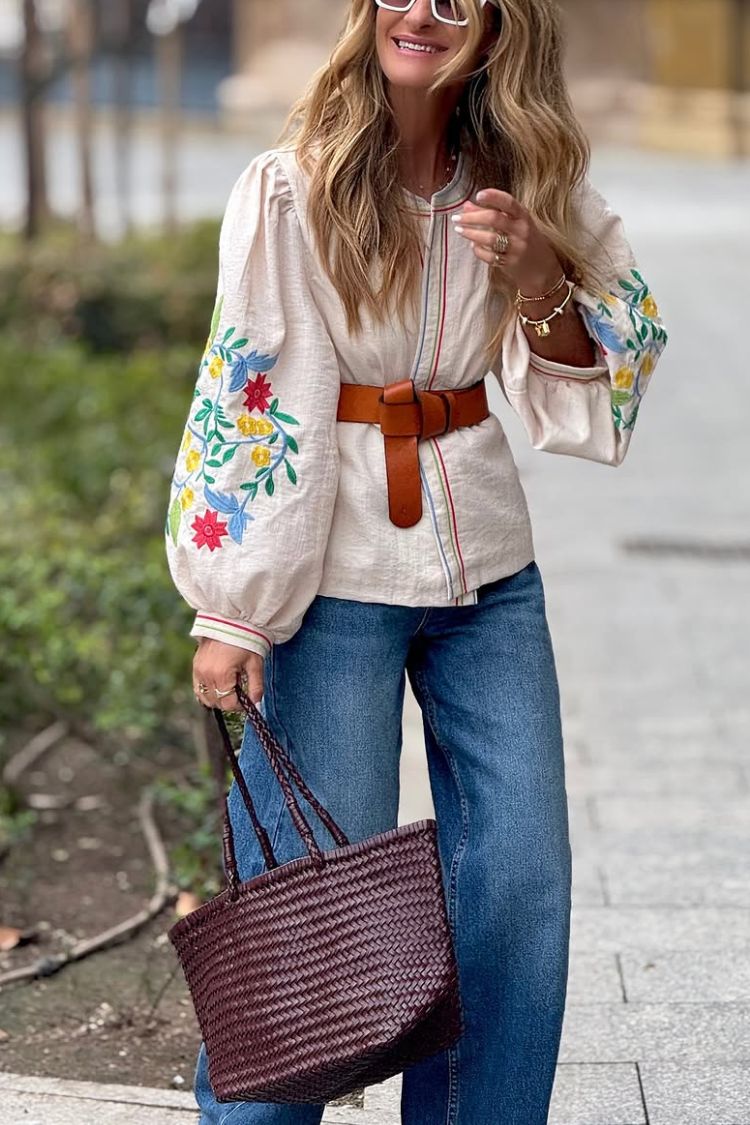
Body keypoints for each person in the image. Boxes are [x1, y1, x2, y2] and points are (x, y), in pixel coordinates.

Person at [164, 1, 668, 1121]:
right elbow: (250, 387)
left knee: (519, 886)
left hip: (490, 575)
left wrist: (540, 280)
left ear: (497, 25)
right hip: (327, 580)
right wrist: (235, 608)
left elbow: (622, 350)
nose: (424, 10)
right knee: (303, 904)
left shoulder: (530, 180)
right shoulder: (293, 185)